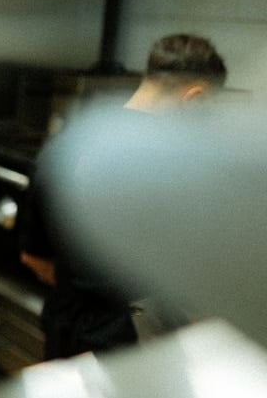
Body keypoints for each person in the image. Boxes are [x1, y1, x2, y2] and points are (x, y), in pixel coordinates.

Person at [19, 33, 227, 360]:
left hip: (67, 329)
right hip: (132, 343)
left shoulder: (68, 141)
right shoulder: (184, 165)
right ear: (194, 97)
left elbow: (34, 257)